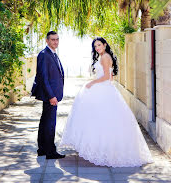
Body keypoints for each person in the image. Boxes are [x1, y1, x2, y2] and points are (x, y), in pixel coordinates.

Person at [60, 37, 153, 167]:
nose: (97, 48)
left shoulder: (105, 57)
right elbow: (110, 77)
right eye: (95, 46)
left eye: (99, 45)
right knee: (101, 118)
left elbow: (105, 77)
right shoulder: (105, 56)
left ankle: (102, 150)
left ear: (104, 45)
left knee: (101, 118)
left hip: (102, 87)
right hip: (105, 88)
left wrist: (92, 82)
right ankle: (100, 148)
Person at [31, 31, 65, 159]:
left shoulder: (52, 53)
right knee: (50, 123)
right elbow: (43, 77)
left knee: (45, 121)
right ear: (47, 40)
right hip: (50, 95)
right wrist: (51, 96)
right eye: (52, 40)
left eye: (57, 39)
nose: (55, 42)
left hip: (53, 94)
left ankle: (42, 149)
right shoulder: (44, 54)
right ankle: (50, 151)